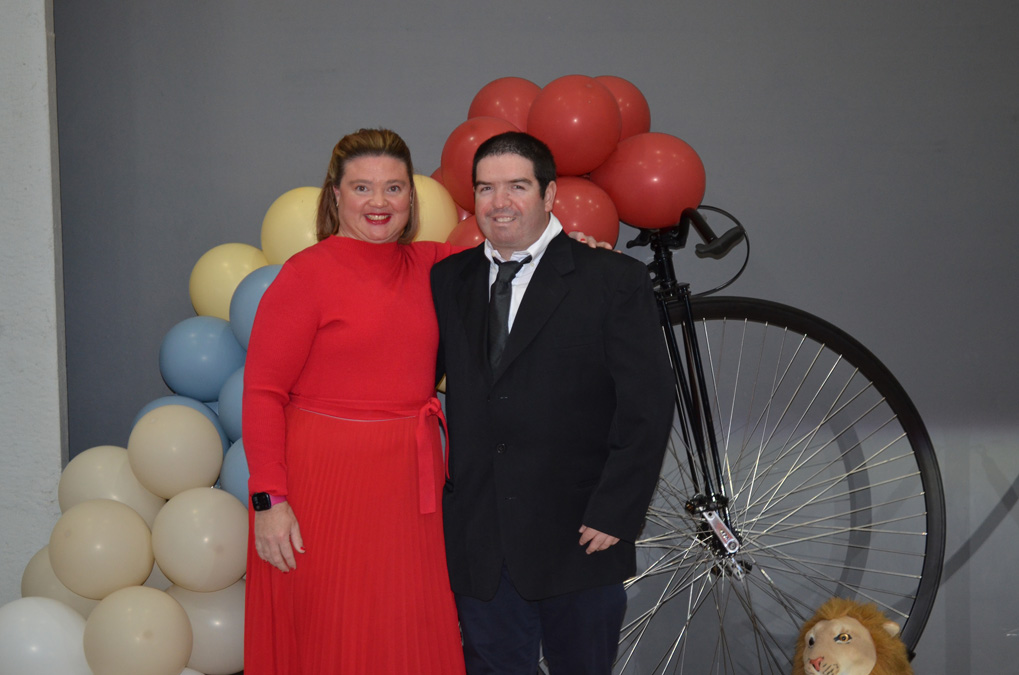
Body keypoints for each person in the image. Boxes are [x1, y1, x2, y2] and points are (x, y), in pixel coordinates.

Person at [430, 131, 675, 674]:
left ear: (549, 194)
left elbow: (649, 405)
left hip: (581, 538)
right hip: (481, 543)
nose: (500, 202)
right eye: (486, 188)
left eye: (517, 186)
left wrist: (617, 512)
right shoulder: (447, 280)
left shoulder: (611, 278)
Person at [242, 128, 466, 674]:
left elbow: (518, 260)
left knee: (405, 630)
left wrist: (576, 248)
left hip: (408, 488)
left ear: (411, 197)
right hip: (323, 488)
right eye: (362, 187)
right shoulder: (304, 275)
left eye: (394, 188)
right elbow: (262, 393)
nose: (378, 202)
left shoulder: (437, 265)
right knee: (331, 630)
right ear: (335, 195)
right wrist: (269, 503)